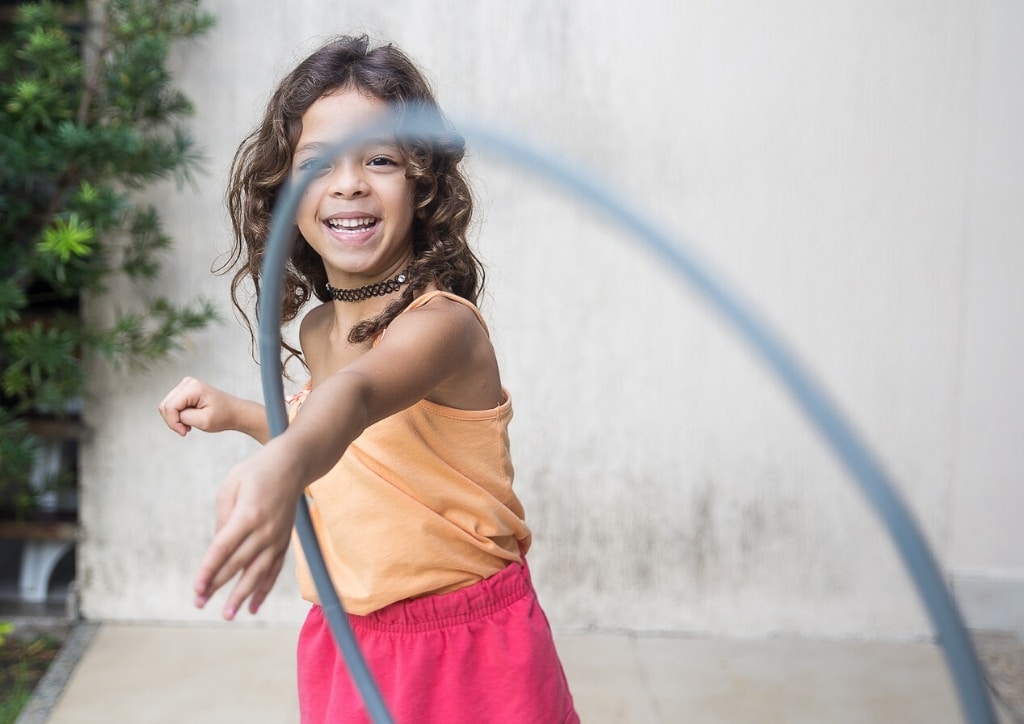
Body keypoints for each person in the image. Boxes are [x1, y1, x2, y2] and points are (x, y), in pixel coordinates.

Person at [157, 35, 579, 723]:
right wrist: (239, 413)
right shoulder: (321, 328)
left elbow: (356, 400)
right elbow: (351, 442)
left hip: (468, 647)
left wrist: (281, 467)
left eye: (379, 159)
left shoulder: (442, 328)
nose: (349, 181)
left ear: (423, 183)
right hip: (348, 638)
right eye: (318, 163)